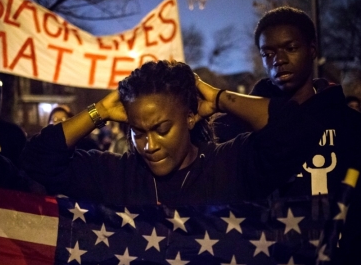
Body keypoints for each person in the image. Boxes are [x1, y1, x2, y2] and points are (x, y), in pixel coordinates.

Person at [22, 60, 327, 205]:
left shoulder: (230, 164)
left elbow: (295, 127)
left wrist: (219, 97)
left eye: (162, 129)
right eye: (137, 132)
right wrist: (98, 111)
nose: (149, 145)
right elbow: (36, 159)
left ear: (191, 116)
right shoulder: (115, 174)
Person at [211, 7, 361, 199]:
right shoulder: (238, 126)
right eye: (268, 53)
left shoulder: (351, 125)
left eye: (291, 48)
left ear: (312, 49)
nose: (279, 60)